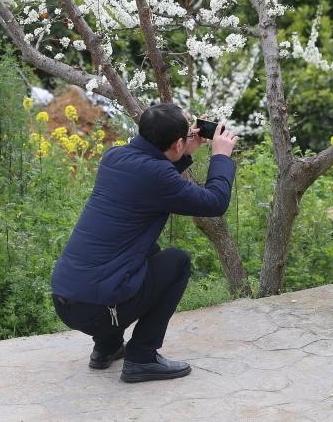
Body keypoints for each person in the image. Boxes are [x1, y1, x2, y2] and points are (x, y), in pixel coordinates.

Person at [51, 104, 239, 383]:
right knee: (177, 262)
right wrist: (221, 157)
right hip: (97, 311)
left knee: (145, 252)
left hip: (65, 300)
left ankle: (107, 346)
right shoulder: (158, 176)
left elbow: (151, 177)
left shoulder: (114, 157)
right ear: (176, 142)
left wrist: (182, 153)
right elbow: (215, 202)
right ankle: (142, 358)